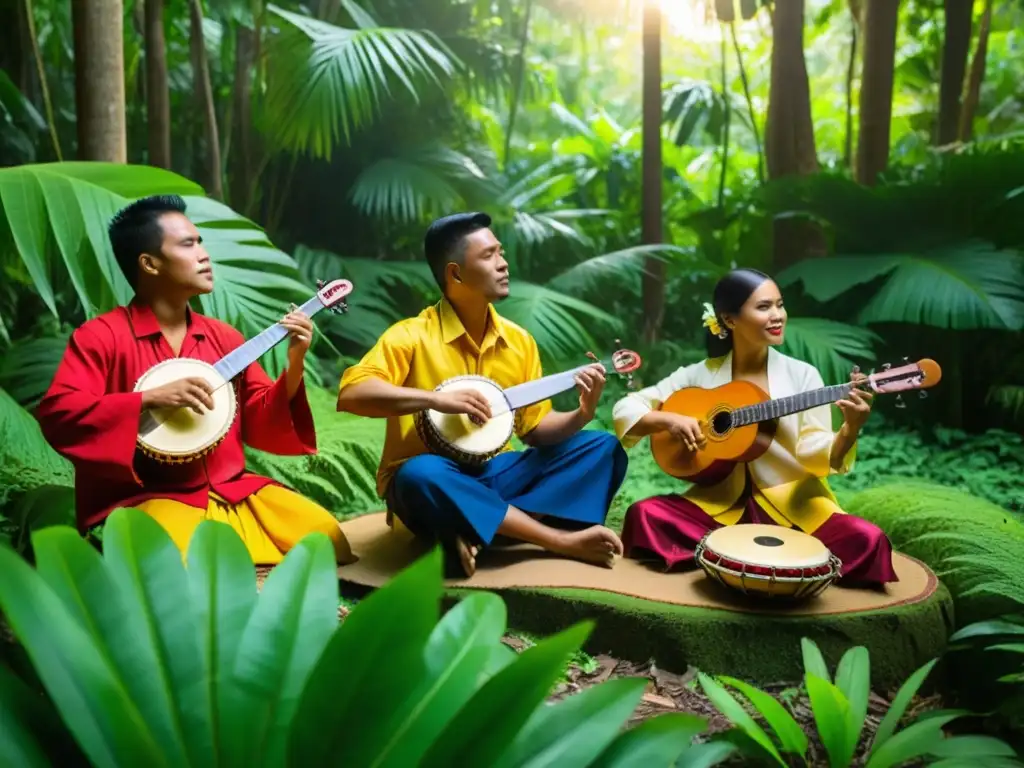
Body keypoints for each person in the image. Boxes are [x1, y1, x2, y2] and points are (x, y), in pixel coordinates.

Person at [36, 194, 354, 566]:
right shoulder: (101, 337)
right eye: (188, 244)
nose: (203, 254)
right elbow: (60, 413)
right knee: (172, 562)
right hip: (152, 496)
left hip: (231, 489)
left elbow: (260, 413)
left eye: (201, 242)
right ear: (150, 263)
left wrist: (295, 362)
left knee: (327, 539)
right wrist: (149, 399)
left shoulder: (223, 337)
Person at [337, 212, 628, 577]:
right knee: (418, 475)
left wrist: (581, 414)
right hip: (432, 479)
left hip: (494, 471)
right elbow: (353, 392)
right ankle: (555, 539)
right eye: (489, 255)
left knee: (601, 448)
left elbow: (535, 431)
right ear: (456, 274)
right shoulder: (410, 335)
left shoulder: (518, 341)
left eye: (501, 252)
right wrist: (433, 399)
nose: (503, 263)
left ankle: (465, 527)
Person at [612, 268, 897, 586]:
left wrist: (850, 430)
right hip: (717, 502)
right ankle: (767, 559)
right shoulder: (701, 375)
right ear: (730, 320)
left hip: (791, 505)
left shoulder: (802, 376)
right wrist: (668, 419)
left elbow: (812, 448)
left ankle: (727, 555)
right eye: (764, 307)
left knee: (869, 541)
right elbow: (627, 407)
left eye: (780, 304)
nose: (778, 316)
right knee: (644, 515)